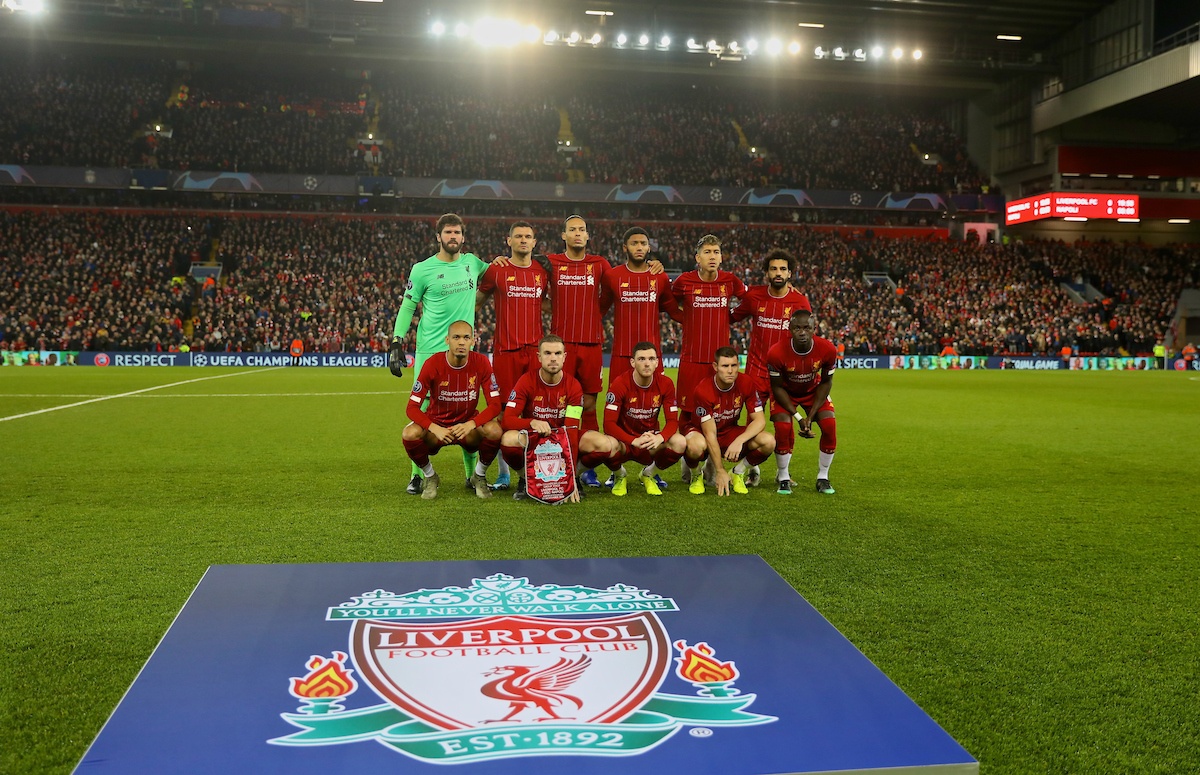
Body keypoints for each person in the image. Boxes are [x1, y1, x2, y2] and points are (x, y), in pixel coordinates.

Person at [546, 215, 662, 488]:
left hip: (591, 344)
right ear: (563, 235)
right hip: (560, 347)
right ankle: (553, 456)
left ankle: (588, 465)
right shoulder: (550, 262)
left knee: (588, 403)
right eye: (572, 229)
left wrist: (653, 265)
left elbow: (608, 299)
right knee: (556, 402)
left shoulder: (601, 266)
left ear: (588, 236)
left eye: (582, 230)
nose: (577, 233)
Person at [390, 213, 490, 496]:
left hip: (462, 351)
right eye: (448, 232)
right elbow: (408, 307)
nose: (453, 237)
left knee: (466, 409)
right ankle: (418, 476)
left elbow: (495, 271)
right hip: (429, 351)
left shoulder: (472, 263)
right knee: (421, 412)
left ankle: (471, 476)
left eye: (457, 232)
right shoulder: (422, 269)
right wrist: (397, 341)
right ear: (438, 237)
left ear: (463, 236)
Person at [598, 226, 681, 490]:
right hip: (621, 355)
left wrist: (707, 313)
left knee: (650, 407)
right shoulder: (612, 276)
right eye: (634, 243)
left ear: (649, 247)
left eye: (643, 243)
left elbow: (673, 310)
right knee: (618, 412)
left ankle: (650, 468)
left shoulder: (660, 277)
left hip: (650, 357)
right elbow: (598, 309)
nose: (639, 247)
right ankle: (617, 470)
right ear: (625, 247)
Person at [499, 335, 622, 502]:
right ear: (539, 357)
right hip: (535, 439)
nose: (553, 358)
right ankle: (526, 479)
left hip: (563, 437)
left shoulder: (573, 386)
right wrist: (532, 422)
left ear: (564, 357)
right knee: (508, 439)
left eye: (557, 353)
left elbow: (571, 430)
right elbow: (507, 420)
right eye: (548, 353)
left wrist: (568, 479)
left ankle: (574, 478)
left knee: (605, 444)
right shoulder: (526, 381)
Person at [476, 221, 548, 490]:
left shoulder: (542, 272)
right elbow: (476, 303)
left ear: (534, 242)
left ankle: (530, 470)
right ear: (509, 241)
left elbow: (551, 304)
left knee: (532, 410)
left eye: (528, 236)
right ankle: (504, 473)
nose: (523, 240)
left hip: (534, 353)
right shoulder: (497, 270)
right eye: (518, 236)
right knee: (503, 413)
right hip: (505, 351)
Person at [730, 248, 811, 487]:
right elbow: (732, 317)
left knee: (784, 426)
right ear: (766, 272)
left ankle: (782, 473)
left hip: (786, 377)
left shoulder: (800, 301)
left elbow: (806, 337)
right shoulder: (754, 297)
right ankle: (751, 466)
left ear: (790, 273)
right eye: (774, 268)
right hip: (756, 372)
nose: (778, 273)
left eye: (783, 269)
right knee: (752, 423)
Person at [401, 321, 503, 501]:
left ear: (473, 341)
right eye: (456, 337)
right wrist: (433, 427)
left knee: (495, 430)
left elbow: (495, 404)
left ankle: (478, 476)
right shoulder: (432, 364)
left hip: (468, 429)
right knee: (409, 433)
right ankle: (430, 476)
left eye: (466, 338)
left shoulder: (482, 363)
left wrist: (471, 424)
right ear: (447, 340)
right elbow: (411, 408)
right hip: (437, 428)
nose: (461, 342)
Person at [671, 235, 747, 474]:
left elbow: (751, 299)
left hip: (719, 364)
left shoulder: (730, 281)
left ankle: (710, 465)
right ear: (698, 258)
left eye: (716, 252)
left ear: (721, 257)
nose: (712, 256)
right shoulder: (684, 281)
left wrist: (731, 317)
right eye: (707, 252)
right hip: (692, 359)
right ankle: (690, 457)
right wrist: (687, 319)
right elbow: (668, 303)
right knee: (690, 413)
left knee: (717, 413)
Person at [682, 346, 775, 496]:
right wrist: (720, 470)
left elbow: (759, 421)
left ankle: (738, 472)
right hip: (701, 432)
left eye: (733, 365)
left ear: (738, 366)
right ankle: (697, 474)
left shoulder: (747, 382)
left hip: (729, 430)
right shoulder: (703, 390)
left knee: (768, 441)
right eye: (725, 366)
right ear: (715, 367)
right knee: (695, 446)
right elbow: (710, 434)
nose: (730, 371)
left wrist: (739, 440)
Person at [767, 309, 839, 495]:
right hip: (785, 392)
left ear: (814, 329)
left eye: (807, 328)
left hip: (813, 391)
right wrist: (799, 417)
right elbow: (776, 388)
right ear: (790, 328)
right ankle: (783, 478)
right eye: (797, 328)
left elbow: (826, 382)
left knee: (829, 424)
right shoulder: (776, 352)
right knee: (783, 428)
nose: (802, 332)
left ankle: (823, 477)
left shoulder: (828, 349)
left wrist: (811, 415)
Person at [601, 342, 687, 497]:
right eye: (641, 359)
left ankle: (649, 474)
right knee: (606, 444)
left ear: (657, 363)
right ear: (632, 362)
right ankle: (619, 475)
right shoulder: (620, 383)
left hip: (649, 441)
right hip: (624, 442)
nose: (647, 363)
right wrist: (632, 440)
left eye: (651, 359)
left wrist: (660, 437)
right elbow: (608, 424)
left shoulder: (666, 384)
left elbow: (673, 421)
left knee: (680, 442)